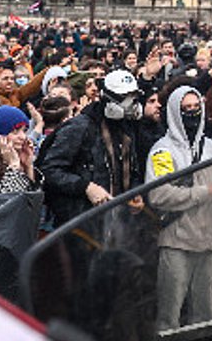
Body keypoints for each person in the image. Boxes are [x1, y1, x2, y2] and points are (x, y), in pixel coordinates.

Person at [146, 85, 212, 332]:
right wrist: (204, 192)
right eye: (186, 109)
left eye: (196, 108)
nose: (192, 114)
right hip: (176, 241)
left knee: (204, 313)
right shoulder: (162, 151)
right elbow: (159, 194)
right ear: (174, 112)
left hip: (208, 241)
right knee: (169, 315)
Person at [39, 70, 146, 225]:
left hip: (118, 223)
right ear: (108, 99)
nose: (131, 104)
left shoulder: (127, 128)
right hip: (81, 224)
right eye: (125, 98)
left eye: (134, 97)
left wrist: (134, 192)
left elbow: (132, 168)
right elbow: (49, 170)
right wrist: (86, 187)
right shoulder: (79, 127)